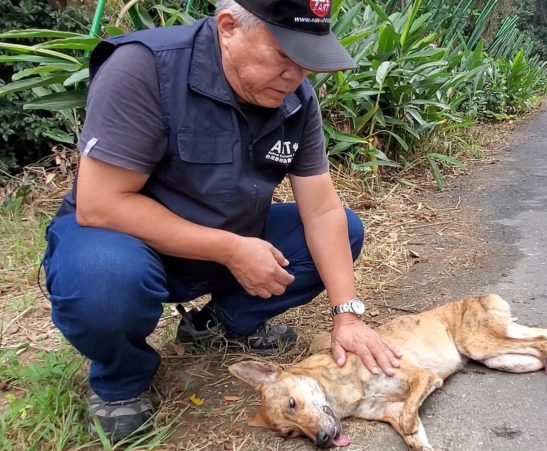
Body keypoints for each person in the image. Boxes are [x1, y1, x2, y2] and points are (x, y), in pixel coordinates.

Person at [42, 0, 401, 441]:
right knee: (102, 280)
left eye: (308, 63)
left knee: (343, 230)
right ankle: (121, 382)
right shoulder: (144, 69)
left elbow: (322, 208)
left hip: (226, 237)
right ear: (228, 26)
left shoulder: (295, 98)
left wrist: (347, 315)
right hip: (127, 242)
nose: (297, 76)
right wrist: (229, 249)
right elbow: (101, 204)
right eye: (285, 56)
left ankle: (217, 324)